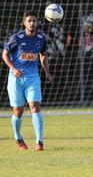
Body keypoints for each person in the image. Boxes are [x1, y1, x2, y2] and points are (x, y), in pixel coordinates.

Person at [2, 10, 53, 151]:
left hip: (33, 78)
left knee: (35, 106)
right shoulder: (16, 38)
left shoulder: (41, 39)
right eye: (29, 20)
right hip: (16, 79)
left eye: (34, 20)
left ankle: (39, 142)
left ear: (37, 23)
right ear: (24, 23)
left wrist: (47, 72)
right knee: (18, 111)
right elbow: (5, 54)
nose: (32, 23)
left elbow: (43, 56)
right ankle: (18, 137)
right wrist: (13, 68)